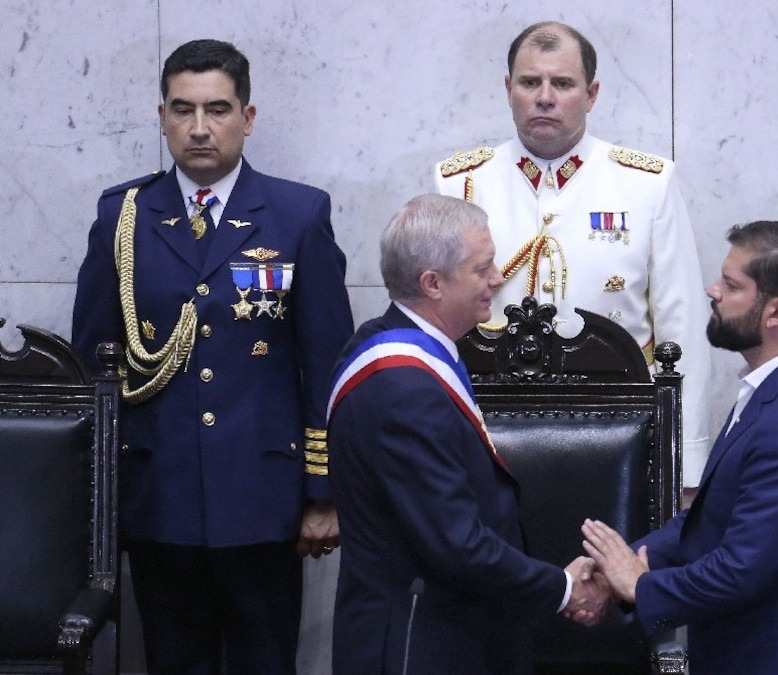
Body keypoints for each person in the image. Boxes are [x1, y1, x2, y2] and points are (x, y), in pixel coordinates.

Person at [71, 39, 352, 674]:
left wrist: (323, 492)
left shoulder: (297, 214)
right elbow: (95, 368)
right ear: (162, 117)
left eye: (218, 109)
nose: (200, 128)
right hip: (158, 495)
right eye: (184, 109)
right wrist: (97, 501)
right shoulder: (123, 217)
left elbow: (326, 364)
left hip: (264, 496)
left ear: (247, 118)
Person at [581, 221, 778, 674]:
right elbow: (711, 522)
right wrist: (614, 567)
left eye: (731, 284)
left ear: (776, 311)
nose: (713, 290)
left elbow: (741, 569)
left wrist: (639, 585)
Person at [326, 194, 608, 674]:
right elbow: (455, 543)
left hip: (445, 627)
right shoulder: (404, 389)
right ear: (432, 283)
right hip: (420, 644)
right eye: (482, 268)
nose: (498, 278)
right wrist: (563, 589)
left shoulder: (386, 342)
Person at [434, 21, 713, 488]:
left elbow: (681, 330)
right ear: (508, 89)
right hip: (485, 436)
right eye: (530, 82)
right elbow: (433, 327)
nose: (545, 98)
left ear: (591, 93)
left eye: (562, 83)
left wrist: (683, 471)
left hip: (619, 439)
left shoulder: (646, 185)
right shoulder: (460, 183)